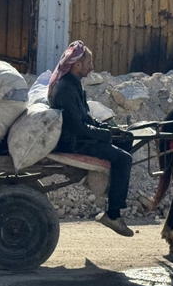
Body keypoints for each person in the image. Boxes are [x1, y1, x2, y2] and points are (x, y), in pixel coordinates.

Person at [48, 41, 134, 237]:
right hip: (74, 143)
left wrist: (108, 128)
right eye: (89, 63)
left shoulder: (74, 84)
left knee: (126, 139)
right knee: (124, 158)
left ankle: (107, 185)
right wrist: (104, 134)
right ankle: (113, 214)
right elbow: (78, 128)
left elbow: (85, 117)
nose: (92, 67)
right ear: (77, 65)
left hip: (79, 137)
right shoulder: (65, 89)